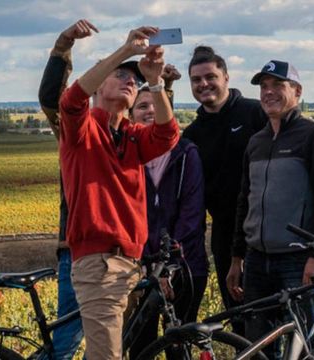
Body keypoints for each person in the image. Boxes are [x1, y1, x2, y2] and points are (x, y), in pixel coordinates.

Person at [59, 26, 179, 360]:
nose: (130, 81)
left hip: (130, 262)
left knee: (111, 352)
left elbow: (168, 134)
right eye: (120, 76)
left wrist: (154, 82)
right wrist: (126, 51)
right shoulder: (82, 130)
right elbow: (71, 100)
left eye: (133, 79)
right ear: (98, 87)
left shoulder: (132, 136)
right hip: (99, 262)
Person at [226, 60, 314, 358]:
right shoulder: (256, 142)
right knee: (260, 350)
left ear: (297, 91)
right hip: (257, 263)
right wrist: (237, 258)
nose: (268, 92)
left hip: (298, 261)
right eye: (264, 87)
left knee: (305, 347)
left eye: (278, 85)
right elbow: (245, 200)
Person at [183, 46, 267, 334]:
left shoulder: (255, 113)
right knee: (240, 317)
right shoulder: (192, 134)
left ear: (226, 77)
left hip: (265, 230)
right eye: (196, 80)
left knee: (275, 318)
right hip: (225, 236)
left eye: (210, 76)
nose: (203, 84)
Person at [127, 68, 209, 357]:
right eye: (142, 106)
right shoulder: (127, 156)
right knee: (141, 347)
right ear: (131, 115)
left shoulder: (187, 154)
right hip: (140, 269)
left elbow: (191, 215)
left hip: (186, 265)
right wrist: (148, 266)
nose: (150, 111)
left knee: (179, 344)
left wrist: (169, 266)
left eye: (155, 106)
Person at [38, 19, 98, 359]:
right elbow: (51, 97)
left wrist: (162, 84)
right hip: (78, 247)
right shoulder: (77, 133)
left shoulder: (129, 135)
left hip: (128, 253)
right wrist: (63, 46)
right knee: (66, 342)